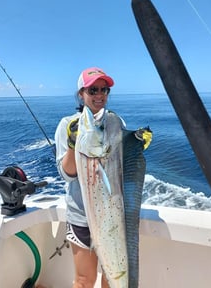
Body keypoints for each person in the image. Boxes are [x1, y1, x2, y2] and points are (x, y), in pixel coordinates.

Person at [55, 67, 152, 288]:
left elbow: (124, 166)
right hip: (81, 215)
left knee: (113, 277)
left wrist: (136, 144)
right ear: (81, 93)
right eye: (93, 90)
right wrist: (72, 144)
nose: (100, 95)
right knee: (83, 280)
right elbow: (67, 174)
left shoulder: (116, 122)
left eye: (104, 89)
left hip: (112, 216)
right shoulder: (68, 125)